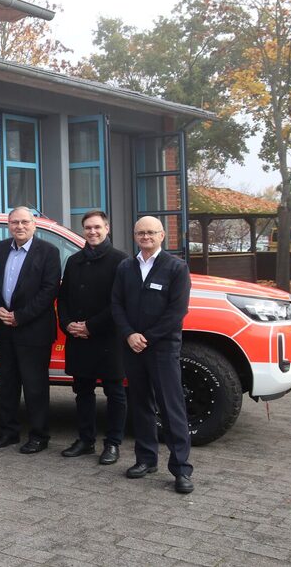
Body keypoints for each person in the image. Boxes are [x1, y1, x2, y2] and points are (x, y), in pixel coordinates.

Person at [111, 216, 195, 494]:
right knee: (140, 405)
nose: (145, 237)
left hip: (162, 349)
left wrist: (146, 337)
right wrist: (128, 334)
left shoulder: (176, 267)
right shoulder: (126, 267)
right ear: (135, 236)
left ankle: (181, 469)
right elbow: (117, 304)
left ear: (162, 236)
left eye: (150, 233)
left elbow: (177, 311)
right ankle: (145, 460)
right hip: (133, 348)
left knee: (172, 409)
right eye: (140, 233)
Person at [56, 210, 129, 464]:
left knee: (115, 393)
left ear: (107, 228)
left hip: (108, 339)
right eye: (88, 228)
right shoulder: (74, 261)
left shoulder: (121, 260)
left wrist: (91, 326)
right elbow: (63, 298)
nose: (92, 232)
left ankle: (113, 444)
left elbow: (119, 303)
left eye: (97, 227)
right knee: (82, 391)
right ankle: (86, 440)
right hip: (78, 338)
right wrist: (68, 325)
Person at [0, 206, 61, 454]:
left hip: (33, 329)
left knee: (35, 386)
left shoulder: (49, 252)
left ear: (34, 225)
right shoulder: (1, 249)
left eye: (24, 222)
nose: (19, 226)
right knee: (7, 384)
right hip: (5, 328)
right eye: (14, 222)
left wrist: (20, 316)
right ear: (8, 225)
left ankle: (39, 435)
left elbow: (49, 290)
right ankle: (8, 432)